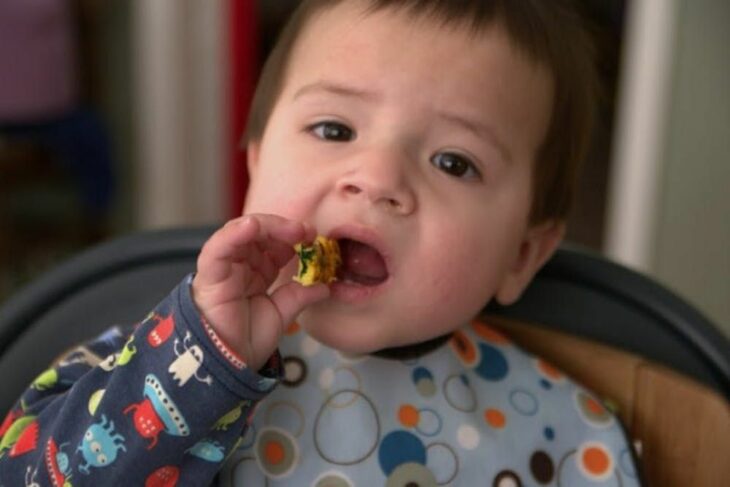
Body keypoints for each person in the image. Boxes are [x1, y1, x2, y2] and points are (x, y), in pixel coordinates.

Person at [0, 1, 642, 485]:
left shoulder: (569, 438)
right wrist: (205, 361)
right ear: (255, 166)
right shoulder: (171, 357)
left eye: (454, 162)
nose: (377, 179)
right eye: (334, 128)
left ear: (522, 255)